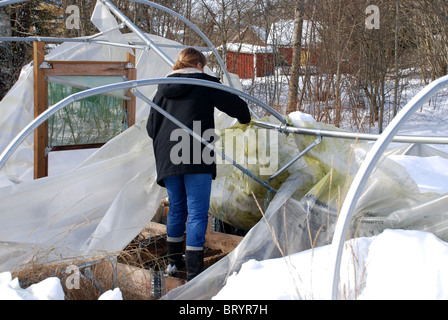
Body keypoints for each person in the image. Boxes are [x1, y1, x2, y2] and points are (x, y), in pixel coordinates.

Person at [146, 47, 251, 281]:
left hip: (168, 154)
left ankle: (173, 264)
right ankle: (194, 273)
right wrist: (244, 120)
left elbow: (151, 128)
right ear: (199, 66)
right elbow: (240, 109)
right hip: (195, 151)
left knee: (177, 207)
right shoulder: (204, 82)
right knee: (196, 212)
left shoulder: (161, 89)